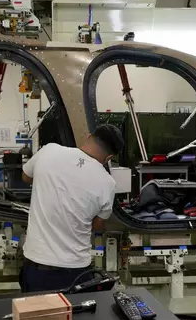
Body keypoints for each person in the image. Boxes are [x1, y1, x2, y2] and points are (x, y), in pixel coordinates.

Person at [19, 124, 125, 293]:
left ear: (89, 137)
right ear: (109, 157)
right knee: (76, 318)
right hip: (77, 271)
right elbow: (97, 226)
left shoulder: (49, 151)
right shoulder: (108, 183)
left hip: (38, 265)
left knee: (37, 318)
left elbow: (25, 176)